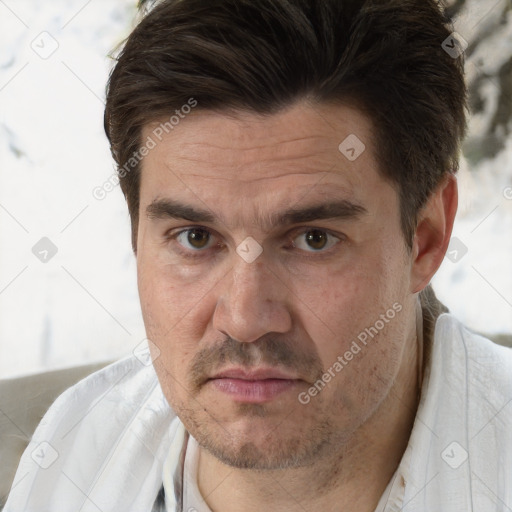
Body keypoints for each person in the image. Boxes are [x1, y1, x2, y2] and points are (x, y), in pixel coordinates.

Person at [5, 0, 512, 510]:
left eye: (314, 239)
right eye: (195, 238)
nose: (245, 319)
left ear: (425, 238)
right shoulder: (76, 452)